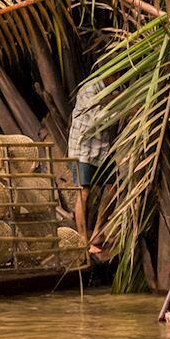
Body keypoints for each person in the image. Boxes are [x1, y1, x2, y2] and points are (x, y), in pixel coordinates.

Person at [67, 78, 113, 256]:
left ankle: (97, 235)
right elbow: (99, 119)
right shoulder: (90, 89)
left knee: (112, 188)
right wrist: (127, 110)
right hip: (83, 149)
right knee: (83, 192)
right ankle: (83, 242)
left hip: (103, 150)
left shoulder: (117, 87)